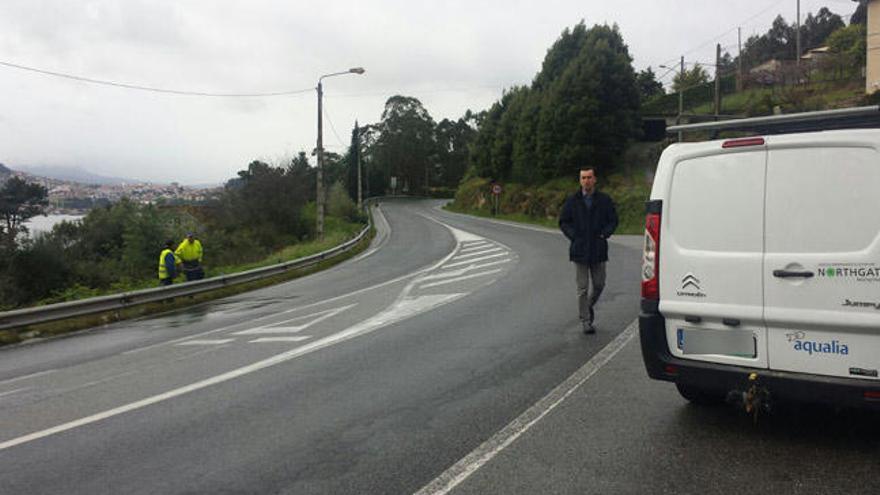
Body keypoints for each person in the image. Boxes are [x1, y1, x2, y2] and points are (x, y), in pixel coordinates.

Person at [559, 166, 618, 334]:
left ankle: (588, 306)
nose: (586, 180)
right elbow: (563, 221)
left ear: (595, 179)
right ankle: (585, 320)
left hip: (598, 249)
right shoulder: (573, 200)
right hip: (580, 250)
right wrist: (574, 236)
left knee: (599, 284)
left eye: (589, 177)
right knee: (582, 288)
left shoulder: (604, 200)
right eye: (583, 178)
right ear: (580, 180)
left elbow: (613, 220)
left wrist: (605, 234)